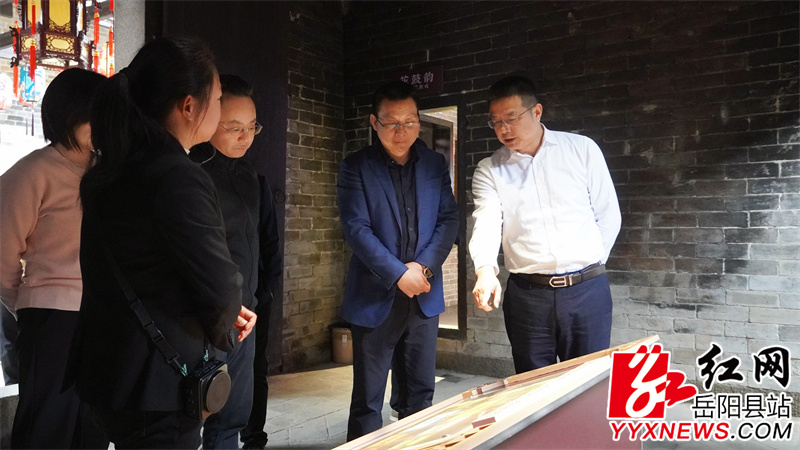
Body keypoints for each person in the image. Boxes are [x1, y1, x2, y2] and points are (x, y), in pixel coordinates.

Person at [69, 37, 256, 449]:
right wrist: (226, 326)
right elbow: (219, 282)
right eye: (218, 99)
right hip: (159, 381)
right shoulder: (176, 174)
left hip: (113, 370)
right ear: (189, 106)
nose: (219, 107)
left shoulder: (116, 168)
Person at [470, 75, 621, 374]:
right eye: (496, 122)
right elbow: (486, 221)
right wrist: (485, 270)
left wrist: (588, 265)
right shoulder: (490, 170)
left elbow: (608, 215)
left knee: (589, 381)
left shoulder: (581, 149)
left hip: (587, 292)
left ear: (537, 111)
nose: (503, 129)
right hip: (528, 296)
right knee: (532, 383)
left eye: (511, 118)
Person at [338, 80, 458, 440]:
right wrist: (398, 273)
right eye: (392, 123)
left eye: (409, 122)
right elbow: (356, 229)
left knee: (420, 394)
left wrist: (422, 267)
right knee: (367, 400)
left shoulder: (434, 164)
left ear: (419, 121)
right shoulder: (356, 166)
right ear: (374, 122)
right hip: (374, 296)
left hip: (423, 294)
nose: (401, 131)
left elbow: (448, 219)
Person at [0, 68, 108, 449]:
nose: (103, 125)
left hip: (100, 313)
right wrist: (28, 305)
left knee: (94, 422)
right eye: (94, 115)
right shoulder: (32, 172)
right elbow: (2, 254)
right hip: (51, 318)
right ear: (68, 115)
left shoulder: (104, 173)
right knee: (47, 424)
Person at [189, 74, 281, 449]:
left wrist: (263, 293)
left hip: (246, 314)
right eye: (234, 128)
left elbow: (267, 244)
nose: (245, 137)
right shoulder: (190, 173)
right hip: (202, 317)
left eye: (252, 127)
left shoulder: (251, 179)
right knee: (190, 413)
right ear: (210, 119)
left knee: (232, 414)